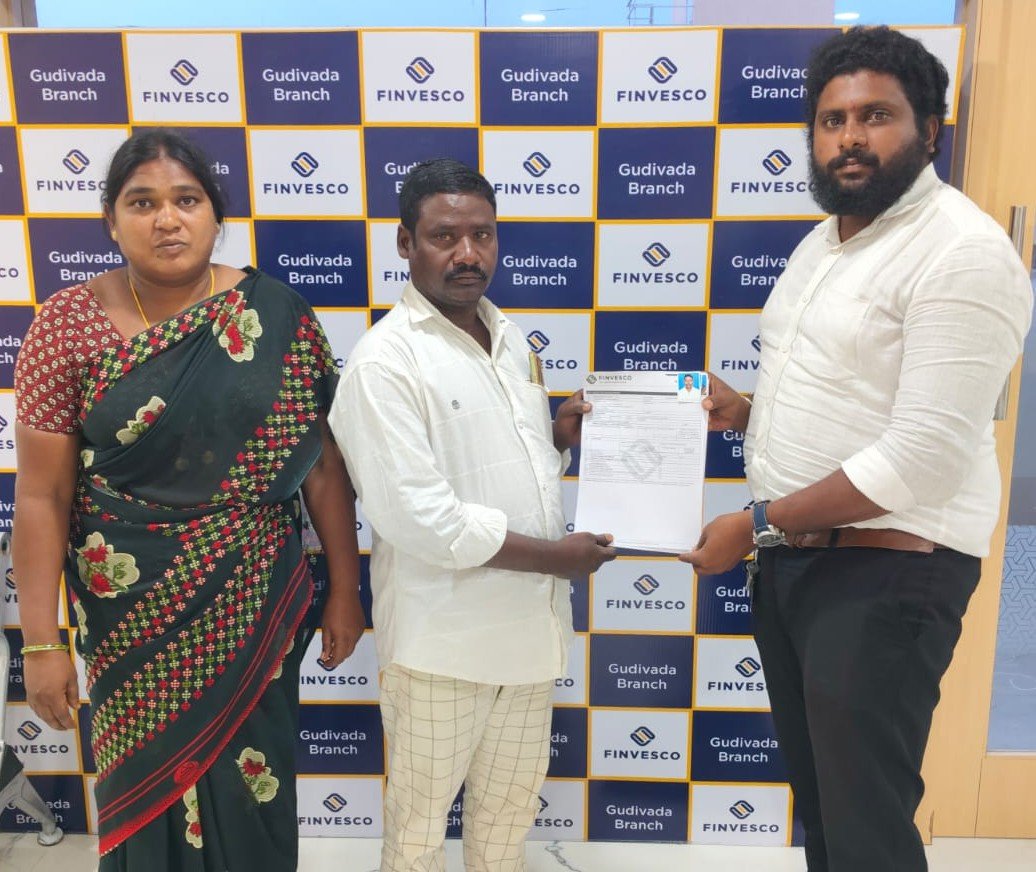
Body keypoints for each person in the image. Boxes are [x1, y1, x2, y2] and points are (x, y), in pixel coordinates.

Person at [682, 27, 1033, 872]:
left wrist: (755, 524)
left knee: (867, 825)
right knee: (827, 809)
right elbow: (852, 394)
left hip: (886, 572)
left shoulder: (962, 252)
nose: (849, 137)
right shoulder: (826, 242)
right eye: (832, 119)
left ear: (929, 129)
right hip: (803, 563)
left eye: (876, 115)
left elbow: (920, 456)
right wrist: (748, 412)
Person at [12, 129, 365, 870]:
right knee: (144, 786)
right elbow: (42, 496)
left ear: (215, 216)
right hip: (129, 615)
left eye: (187, 200)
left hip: (252, 599)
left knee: (253, 785)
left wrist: (344, 590)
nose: (167, 219)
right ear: (112, 221)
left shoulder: (279, 314)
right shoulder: (65, 326)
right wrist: (41, 643)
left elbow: (324, 469)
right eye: (142, 203)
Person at [329, 158, 615, 872]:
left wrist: (557, 440)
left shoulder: (510, 337)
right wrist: (557, 559)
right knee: (419, 833)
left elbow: (502, 468)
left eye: (482, 235)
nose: (467, 254)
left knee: (506, 825)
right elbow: (420, 517)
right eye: (444, 237)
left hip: (528, 639)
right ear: (405, 243)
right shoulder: (384, 362)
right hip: (441, 648)